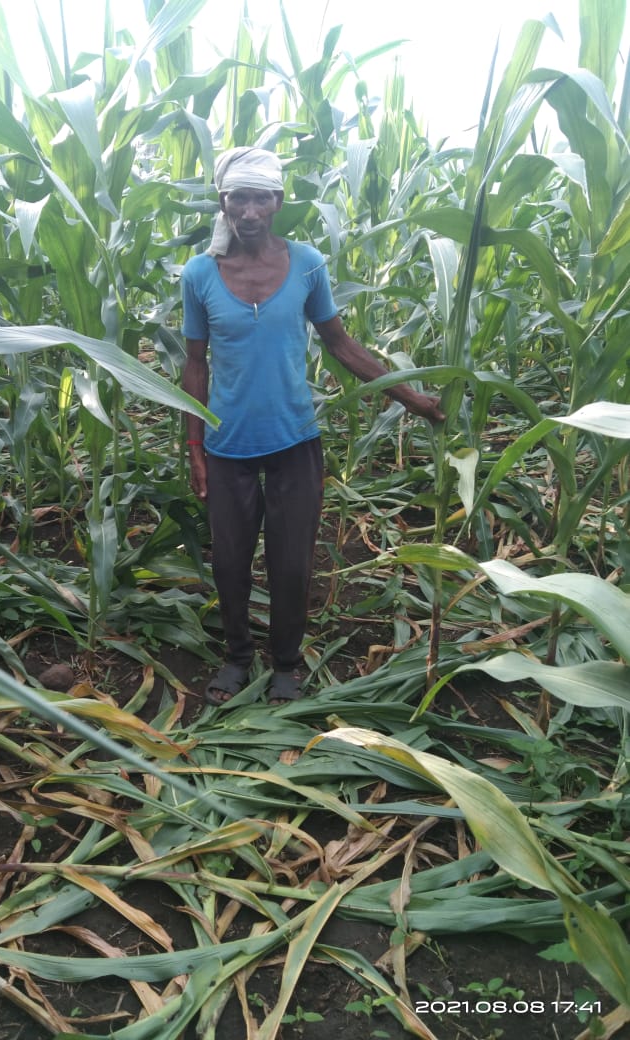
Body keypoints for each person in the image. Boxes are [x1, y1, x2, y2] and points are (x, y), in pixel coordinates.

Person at [181, 147, 443, 706]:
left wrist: (410, 398)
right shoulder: (200, 273)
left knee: (292, 560)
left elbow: (341, 344)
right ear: (223, 202)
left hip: (294, 440)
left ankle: (285, 663)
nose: (249, 212)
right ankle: (236, 656)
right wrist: (195, 445)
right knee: (229, 561)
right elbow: (195, 364)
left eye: (260, 199)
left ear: (277, 202)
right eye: (238, 199)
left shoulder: (306, 264)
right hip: (227, 443)